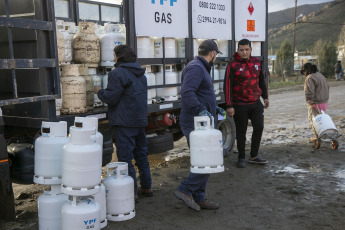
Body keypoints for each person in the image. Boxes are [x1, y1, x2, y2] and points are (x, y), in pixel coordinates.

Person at [94, 45, 152, 203]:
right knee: (141, 155)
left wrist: (99, 91)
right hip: (139, 120)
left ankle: (131, 193)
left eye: (114, 55)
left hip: (125, 121)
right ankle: (147, 187)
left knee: (125, 158)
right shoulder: (141, 74)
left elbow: (111, 98)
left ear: (120, 56)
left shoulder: (117, 73)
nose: (113, 58)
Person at [174, 39, 224, 211]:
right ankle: (185, 189)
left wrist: (212, 106)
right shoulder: (196, 67)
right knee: (205, 159)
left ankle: (199, 197)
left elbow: (198, 92)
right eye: (216, 53)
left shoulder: (201, 67)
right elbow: (187, 92)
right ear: (212, 53)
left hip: (201, 122)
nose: (216, 56)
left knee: (207, 159)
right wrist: (201, 109)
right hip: (195, 123)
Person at [224, 39, 269, 168]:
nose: (244, 52)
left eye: (246, 50)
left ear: (251, 50)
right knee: (241, 132)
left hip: (255, 103)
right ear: (238, 50)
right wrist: (229, 105)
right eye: (241, 50)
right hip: (240, 104)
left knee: (259, 127)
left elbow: (261, 80)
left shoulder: (256, 62)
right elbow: (227, 86)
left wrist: (265, 97)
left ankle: (254, 155)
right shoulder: (232, 65)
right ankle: (241, 157)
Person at [300, 63, 329, 140]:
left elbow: (309, 90)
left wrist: (309, 100)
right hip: (324, 102)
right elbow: (327, 87)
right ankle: (324, 133)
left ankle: (316, 136)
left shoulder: (310, 78)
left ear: (306, 71)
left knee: (314, 119)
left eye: (303, 72)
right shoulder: (320, 75)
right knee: (322, 119)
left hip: (315, 102)